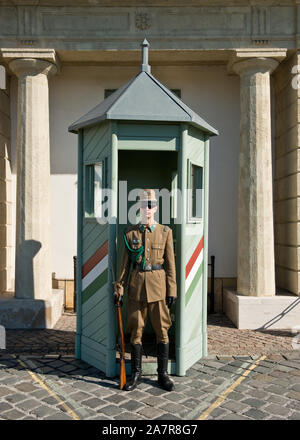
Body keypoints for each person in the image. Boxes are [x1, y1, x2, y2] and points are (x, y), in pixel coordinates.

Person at [113, 188, 177, 391]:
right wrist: (119, 289)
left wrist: (171, 290)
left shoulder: (165, 232)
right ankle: (136, 373)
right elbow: (124, 265)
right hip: (137, 288)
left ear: (156, 208)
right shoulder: (130, 232)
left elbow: (170, 265)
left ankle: (162, 374)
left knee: (162, 331)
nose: (146, 209)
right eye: (143, 205)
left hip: (158, 289)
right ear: (139, 208)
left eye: (150, 205)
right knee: (136, 331)